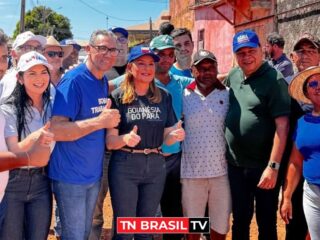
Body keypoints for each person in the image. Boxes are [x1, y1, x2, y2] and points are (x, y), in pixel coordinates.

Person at [48, 29, 121, 240]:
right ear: (89, 49)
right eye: (102, 48)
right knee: (74, 235)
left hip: (92, 175)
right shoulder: (73, 81)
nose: (108, 54)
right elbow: (57, 130)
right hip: (70, 177)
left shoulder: (102, 81)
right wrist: (100, 121)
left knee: (85, 233)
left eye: (112, 49)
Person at [107, 45, 185, 240]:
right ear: (130, 68)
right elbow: (109, 141)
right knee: (125, 228)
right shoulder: (118, 97)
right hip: (125, 165)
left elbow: (167, 136)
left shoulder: (163, 96)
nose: (147, 68)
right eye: (141, 63)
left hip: (156, 166)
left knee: (145, 228)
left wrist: (174, 136)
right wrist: (124, 139)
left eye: (151, 64)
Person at [225, 29, 290, 240]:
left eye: (251, 51)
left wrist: (273, 167)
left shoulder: (274, 80)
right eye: (240, 53)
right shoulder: (234, 74)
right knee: (240, 220)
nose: (246, 57)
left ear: (262, 50)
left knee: (266, 222)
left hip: (264, 168)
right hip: (236, 166)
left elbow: (283, 126)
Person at [0, 51, 54, 240]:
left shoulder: (53, 106)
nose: (39, 78)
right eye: (31, 73)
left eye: (43, 72)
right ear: (20, 78)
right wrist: (35, 137)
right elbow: (14, 150)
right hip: (13, 184)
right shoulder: (8, 109)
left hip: (42, 181)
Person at [181, 49, 231, 240]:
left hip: (222, 174)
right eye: (202, 68)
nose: (207, 72)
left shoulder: (227, 94)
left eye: (211, 67)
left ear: (217, 68)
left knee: (219, 225)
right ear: (193, 70)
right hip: (192, 174)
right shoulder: (184, 95)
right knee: (193, 227)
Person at [281, 33, 320, 240]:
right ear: (292, 57)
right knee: (295, 225)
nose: (305, 55)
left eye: (311, 51)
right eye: (300, 51)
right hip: (294, 171)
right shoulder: (282, 88)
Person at [0, 31, 46, 103]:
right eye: (28, 48)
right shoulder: (8, 82)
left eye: (38, 48)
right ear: (14, 54)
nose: (34, 53)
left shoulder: (47, 82)